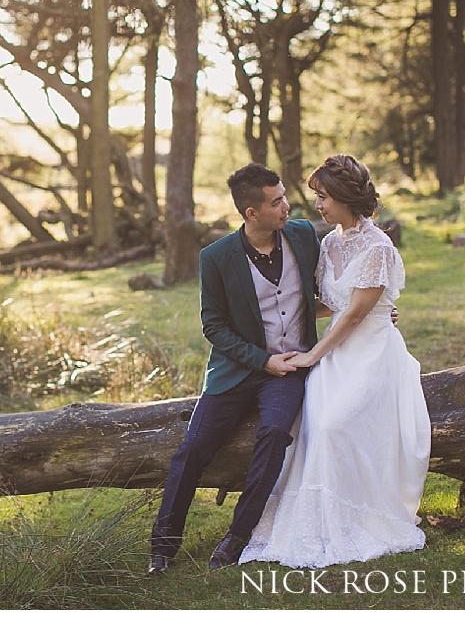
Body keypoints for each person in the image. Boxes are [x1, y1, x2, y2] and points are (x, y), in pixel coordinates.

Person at [239, 153, 431, 569]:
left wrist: (312, 354)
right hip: (336, 352)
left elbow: (358, 313)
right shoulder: (329, 242)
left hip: (372, 353)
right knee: (310, 424)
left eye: (323, 197)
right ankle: (318, 520)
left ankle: (359, 516)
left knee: (333, 425)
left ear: (345, 197)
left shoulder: (379, 247)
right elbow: (328, 304)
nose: (318, 206)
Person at [148, 162, 320, 574]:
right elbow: (214, 325)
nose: (287, 206)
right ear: (251, 213)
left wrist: (373, 314)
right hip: (236, 372)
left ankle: (237, 537)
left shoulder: (303, 235)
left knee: (276, 432)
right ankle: (163, 546)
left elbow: (326, 294)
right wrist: (262, 360)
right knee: (192, 451)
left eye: (284, 197)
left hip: (292, 366)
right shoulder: (216, 256)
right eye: (277, 201)